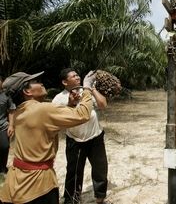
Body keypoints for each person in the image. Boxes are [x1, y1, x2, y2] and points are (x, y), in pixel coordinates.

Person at [0, 71, 95, 204]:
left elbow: (47, 125)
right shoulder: (42, 109)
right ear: (27, 92)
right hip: (38, 185)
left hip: (15, 182)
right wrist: (87, 89)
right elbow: (83, 114)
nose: (41, 83)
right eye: (36, 82)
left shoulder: (19, 112)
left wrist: (70, 105)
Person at [52, 69, 111, 204]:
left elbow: (103, 105)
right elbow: (56, 118)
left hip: (95, 137)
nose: (77, 77)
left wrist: (90, 88)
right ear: (64, 82)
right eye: (73, 76)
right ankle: (71, 199)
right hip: (75, 140)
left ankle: (100, 198)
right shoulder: (59, 98)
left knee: (100, 169)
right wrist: (70, 104)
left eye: (78, 75)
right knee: (74, 172)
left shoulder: (87, 92)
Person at [0, 75, 15, 175]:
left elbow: (11, 110)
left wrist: (11, 125)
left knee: (5, 147)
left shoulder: (6, 95)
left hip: (3, 126)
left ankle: (2, 169)